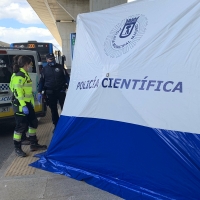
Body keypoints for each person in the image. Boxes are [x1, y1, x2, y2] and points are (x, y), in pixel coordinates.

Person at [9, 56, 47, 157]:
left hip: (28, 104)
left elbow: (27, 90)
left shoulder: (25, 74)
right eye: (30, 64)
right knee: (20, 127)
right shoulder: (18, 76)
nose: (31, 66)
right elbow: (18, 92)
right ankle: (17, 148)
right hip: (21, 105)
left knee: (33, 123)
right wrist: (23, 105)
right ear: (26, 64)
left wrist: (36, 96)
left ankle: (33, 144)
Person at [37, 53, 70, 131]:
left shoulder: (60, 67)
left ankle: (66, 124)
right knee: (54, 110)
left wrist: (70, 86)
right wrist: (39, 91)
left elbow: (67, 78)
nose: (52, 60)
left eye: (53, 59)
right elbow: (41, 81)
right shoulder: (44, 69)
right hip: (50, 92)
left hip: (61, 91)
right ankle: (56, 125)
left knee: (65, 109)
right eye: (50, 59)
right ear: (47, 60)